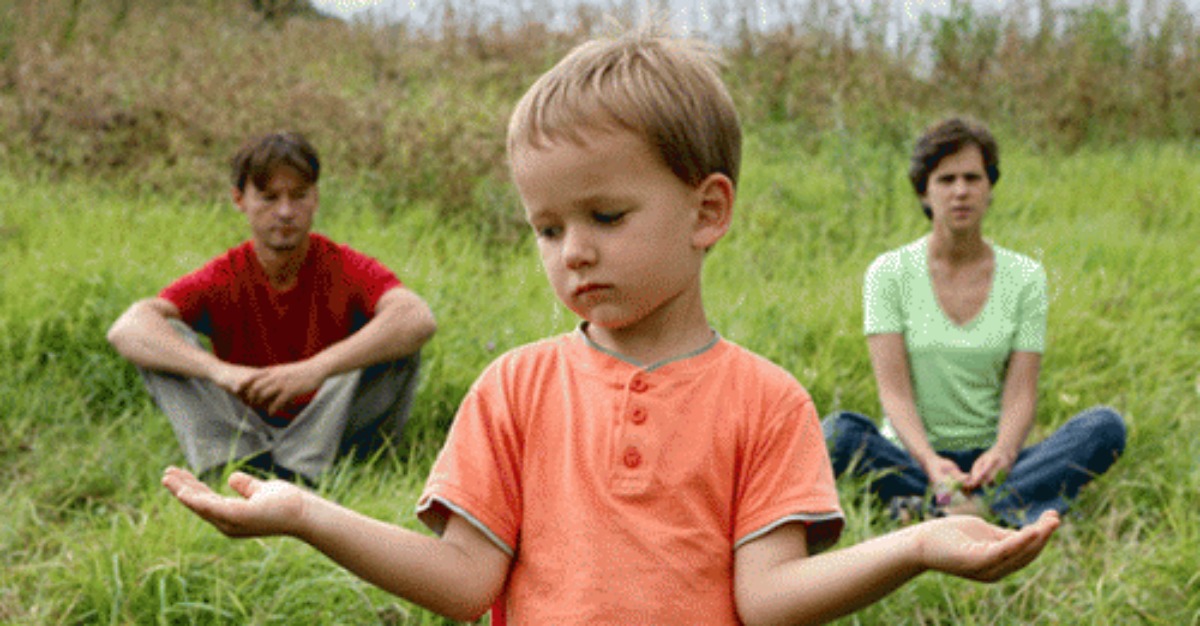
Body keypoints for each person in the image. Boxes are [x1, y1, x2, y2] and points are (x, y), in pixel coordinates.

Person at [162, 34, 1059, 625]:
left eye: (606, 216)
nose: (572, 254)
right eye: (548, 229)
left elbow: (771, 595)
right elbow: (466, 580)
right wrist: (305, 514)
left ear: (708, 210)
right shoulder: (514, 387)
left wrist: (917, 545)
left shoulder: (767, 401)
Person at [823, 118, 1126, 526]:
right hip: (913, 455)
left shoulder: (1024, 277)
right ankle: (990, 507)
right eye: (946, 179)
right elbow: (893, 394)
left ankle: (955, 507)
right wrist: (931, 462)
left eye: (973, 178)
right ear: (925, 192)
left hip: (990, 461)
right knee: (837, 433)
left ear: (989, 188)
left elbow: (1021, 394)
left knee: (1104, 427)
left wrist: (1001, 455)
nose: (961, 191)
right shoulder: (888, 273)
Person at [109, 131, 436, 483]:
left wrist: (314, 369)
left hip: (330, 433)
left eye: (298, 197)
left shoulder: (343, 265)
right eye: (269, 198)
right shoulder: (225, 275)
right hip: (246, 430)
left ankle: (305, 470)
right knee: (162, 336)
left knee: (394, 338)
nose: (285, 212)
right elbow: (127, 328)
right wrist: (220, 371)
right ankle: (238, 464)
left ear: (316, 198)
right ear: (240, 200)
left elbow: (417, 317)